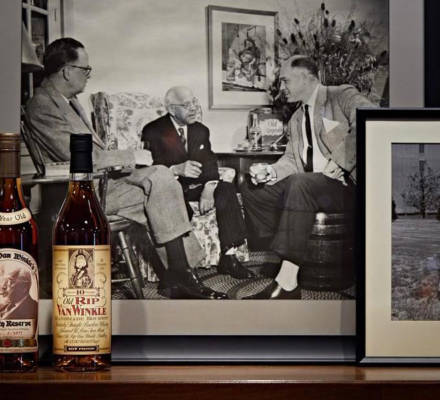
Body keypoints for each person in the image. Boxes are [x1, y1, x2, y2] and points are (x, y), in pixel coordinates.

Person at [26, 38, 226, 300]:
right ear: (66, 71)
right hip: (79, 192)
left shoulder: (68, 101)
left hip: (102, 181)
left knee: (162, 175)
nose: (88, 75)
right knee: (162, 191)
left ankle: (179, 276)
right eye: (86, 69)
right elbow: (77, 156)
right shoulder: (42, 105)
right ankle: (180, 275)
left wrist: (127, 160)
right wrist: (131, 155)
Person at [241, 55, 372, 299]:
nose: (281, 88)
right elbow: (292, 159)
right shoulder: (296, 118)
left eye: (285, 81)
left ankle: (288, 281)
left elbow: (371, 120)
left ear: (307, 78)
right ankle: (284, 254)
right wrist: (270, 172)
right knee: (252, 190)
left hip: (348, 187)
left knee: (300, 183)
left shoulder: (341, 95)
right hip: (310, 188)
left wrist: (341, 161)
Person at [142, 86, 254, 279]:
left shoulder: (201, 130)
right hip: (170, 188)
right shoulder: (153, 130)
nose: (193, 108)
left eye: (194, 102)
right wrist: (175, 169)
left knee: (226, 189)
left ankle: (229, 256)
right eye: (186, 105)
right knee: (175, 205)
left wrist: (209, 188)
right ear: (172, 109)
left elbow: (210, 161)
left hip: (198, 186)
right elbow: (147, 167)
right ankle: (183, 266)